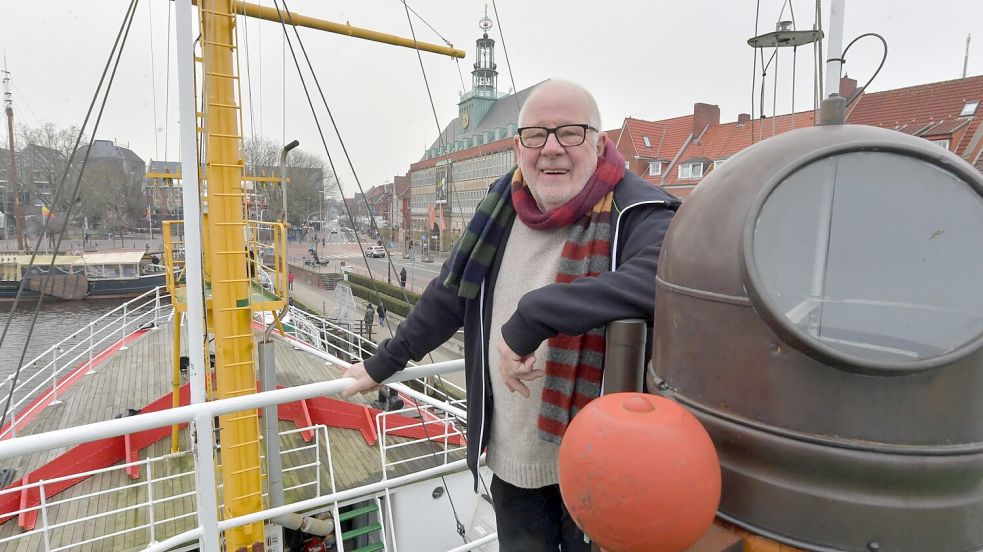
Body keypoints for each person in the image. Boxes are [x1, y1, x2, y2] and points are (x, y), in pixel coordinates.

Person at [341, 79, 676, 551]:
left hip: (601, 463)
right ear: (518, 147)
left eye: (571, 133)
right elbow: (450, 295)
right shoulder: (499, 208)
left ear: (600, 144)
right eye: (537, 135)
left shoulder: (638, 210)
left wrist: (532, 317)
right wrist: (383, 363)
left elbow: (660, 280)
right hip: (513, 458)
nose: (552, 149)